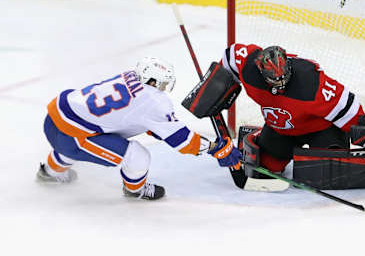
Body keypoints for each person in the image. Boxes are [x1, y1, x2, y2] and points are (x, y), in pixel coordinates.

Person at [220, 43, 365, 190]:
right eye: (273, 79)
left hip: (321, 129)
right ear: (260, 71)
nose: (279, 83)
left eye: (283, 77)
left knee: (330, 175)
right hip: (281, 130)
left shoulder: (311, 83)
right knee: (262, 172)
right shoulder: (248, 66)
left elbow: (349, 109)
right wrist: (214, 88)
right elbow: (229, 58)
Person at [37, 57, 241, 200]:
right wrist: (216, 148)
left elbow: (130, 116)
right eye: (162, 84)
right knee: (137, 156)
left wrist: (160, 130)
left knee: (87, 138)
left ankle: (50, 171)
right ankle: (136, 190)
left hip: (54, 118)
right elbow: (183, 141)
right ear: (153, 81)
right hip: (71, 138)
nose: (163, 88)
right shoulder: (153, 101)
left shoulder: (129, 76)